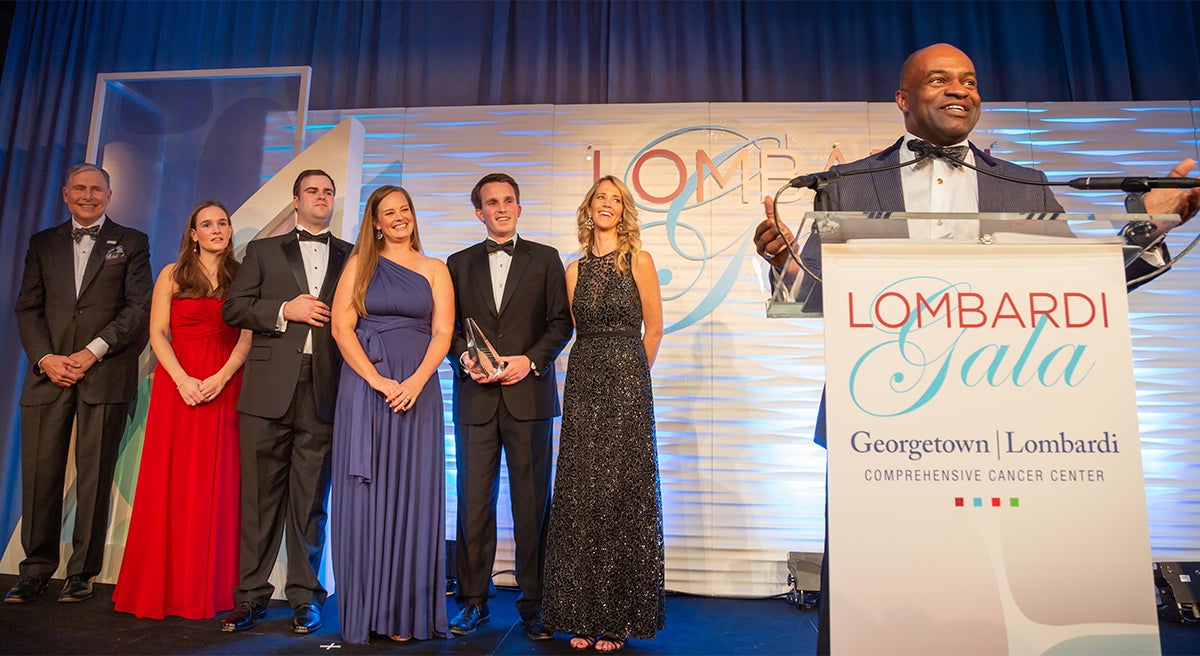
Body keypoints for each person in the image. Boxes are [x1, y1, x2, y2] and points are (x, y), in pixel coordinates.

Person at [752, 43, 1200, 655]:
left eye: (970, 80)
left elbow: (1080, 289)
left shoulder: (1025, 185)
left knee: (991, 596)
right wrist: (782, 261)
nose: (959, 89)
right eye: (939, 80)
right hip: (878, 424)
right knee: (874, 598)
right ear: (904, 101)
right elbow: (819, 299)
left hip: (1003, 429)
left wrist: (1153, 225)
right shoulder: (846, 183)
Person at [9, 163, 153, 604]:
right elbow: (27, 308)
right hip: (48, 376)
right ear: (65, 194)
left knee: (94, 476)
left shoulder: (132, 242)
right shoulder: (42, 243)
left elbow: (137, 309)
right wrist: (47, 359)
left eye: (97, 189)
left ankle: (82, 573)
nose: (89, 196)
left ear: (109, 196)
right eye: (80, 189)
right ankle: (35, 570)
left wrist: (92, 351)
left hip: (104, 373)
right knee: (40, 475)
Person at [220, 169, 352, 634]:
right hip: (266, 392)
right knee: (257, 502)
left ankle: (305, 598)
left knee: (310, 503)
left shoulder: (353, 256)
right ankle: (251, 596)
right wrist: (283, 311)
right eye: (312, 191)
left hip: (326, 389)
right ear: (295, 201)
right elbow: (233, 308)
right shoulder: (261, 251)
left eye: (328, 191)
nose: (321, 196)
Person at [445, 172, 574, 640]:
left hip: (529, 397)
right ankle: (472, 602)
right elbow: (447, 329)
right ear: (478, 212)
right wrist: (462, 355)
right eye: (490, 202)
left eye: (508, 201)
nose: (500, 208)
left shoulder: (546, 259)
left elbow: (561, 324)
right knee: (473, 504)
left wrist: (530, 362)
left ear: (520, 208)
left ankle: (535, 603)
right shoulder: (456, 263)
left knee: (531, 504)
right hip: (475, 397)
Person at [542, 175, 665, 653]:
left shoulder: (640, 261)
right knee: (580, 493)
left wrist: (632, 379)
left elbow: (653, 330)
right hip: (584, 381)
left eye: (615, 199)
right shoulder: (573, 270)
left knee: (620, 492)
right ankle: (579, 611)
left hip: (627, 380)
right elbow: (573, 331)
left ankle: (617, 617)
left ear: (624, 210)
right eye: (600, 198)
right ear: (589, 208)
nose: (607, 205)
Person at [112, 200, 251, 619]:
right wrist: (183, 380)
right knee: (171, 482)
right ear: (192, 233)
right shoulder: (172, 275)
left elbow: (248, 336)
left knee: (218, 485)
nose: (216, 230)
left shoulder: (243, 275)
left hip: (226, 384)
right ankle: (161, 587)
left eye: (222, 223)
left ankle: (207, 588)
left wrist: (222, 377)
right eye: (206, 224)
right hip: (180, 386)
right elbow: (157, 332)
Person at [328, 186, 453, 643]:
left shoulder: (435, 269)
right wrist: (377, 381)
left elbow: (443, 332)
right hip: (365, 387)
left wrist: (416, 381)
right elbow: (342, 328)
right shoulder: (360, 263)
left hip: (418, 389)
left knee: (412, 493)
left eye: (404, 210)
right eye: (389, 213)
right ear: (375, 222)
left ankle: (404, 615)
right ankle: (365, 611)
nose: (399, 218)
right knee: (366, 494)